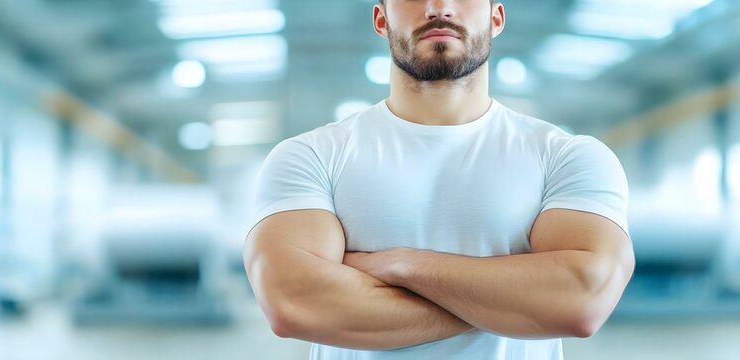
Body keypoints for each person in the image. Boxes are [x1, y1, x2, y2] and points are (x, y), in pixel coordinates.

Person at [243, 0, 635, 359]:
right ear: (381, 20)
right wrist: (521, 303)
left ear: (496, 18)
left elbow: (580, 300)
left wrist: (402, 265)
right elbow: (294, 302)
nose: (439, 8)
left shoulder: (567, 156)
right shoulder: (311, 156)